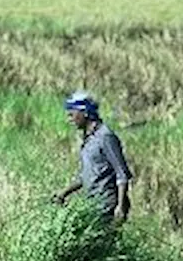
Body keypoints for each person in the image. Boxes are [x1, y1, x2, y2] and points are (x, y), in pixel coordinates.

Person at [52, 91, 133, 222]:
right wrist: (63, 193)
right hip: (93, 204)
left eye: (72, 113)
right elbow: (85, 176)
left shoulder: (105, 137)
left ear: (85, 113)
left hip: (107, 206)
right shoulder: (88, 139)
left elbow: (122, 174)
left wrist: (120, 206)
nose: (69, 118)